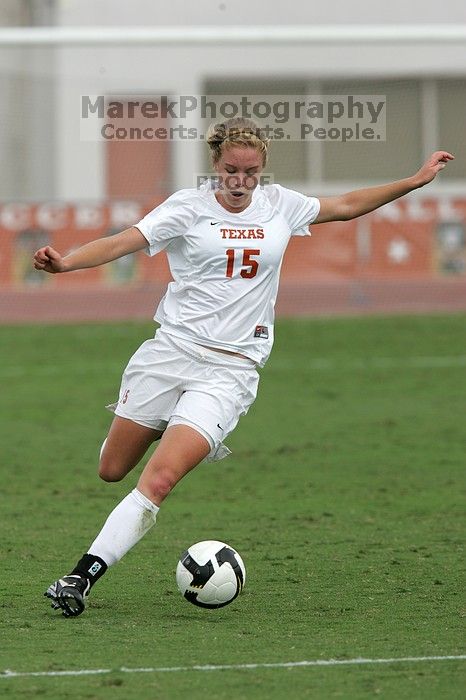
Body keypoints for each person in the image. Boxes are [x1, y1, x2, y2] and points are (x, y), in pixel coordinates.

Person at [33, 117, 453, 617]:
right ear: (215, 165)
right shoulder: (187, 207)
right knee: (111, 469)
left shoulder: (280, 206)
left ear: (263, 169)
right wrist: (66, 263)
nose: (240, 181)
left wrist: (412, 180)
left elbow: (344, 206)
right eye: (231, 170)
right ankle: (169, 418)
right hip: (170, 354)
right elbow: (124, 241)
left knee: (159, 479)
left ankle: (80, 578)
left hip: (229, 371)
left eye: (251, 172)